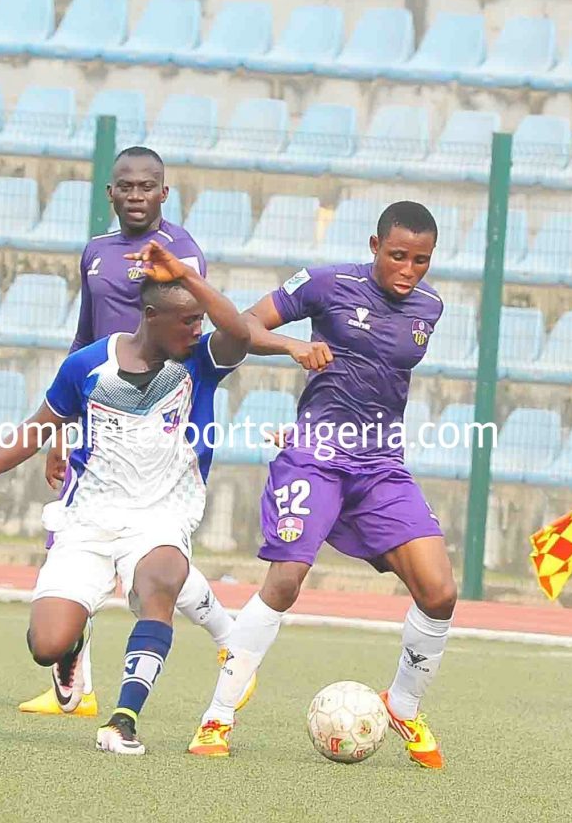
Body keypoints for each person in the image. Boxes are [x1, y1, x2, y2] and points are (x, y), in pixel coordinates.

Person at [0, 242, 251, 755]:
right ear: (151, 317)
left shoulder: (200, 362)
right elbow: (36, 429)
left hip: (162, 516)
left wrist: (188, 276)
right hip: (87, 519)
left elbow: (240, 333)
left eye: (200, 320)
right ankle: (72, 644)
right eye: (187, 321)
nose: (197, 330)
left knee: (159, 582)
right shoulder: (88, 366)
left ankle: (124, 720)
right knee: (45, 644)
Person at [188, 201, 454, 769]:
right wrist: (294, 347)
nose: (408, 270)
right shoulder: (326, 283)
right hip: (316, 456)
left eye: (421, 261)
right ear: (375, 246)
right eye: (398, 256)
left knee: (439, 593)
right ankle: (217, 716)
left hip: (380, 464)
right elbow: (242, 325)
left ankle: (403, 705)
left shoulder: (430, 307)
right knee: (286, 580)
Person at [18, 146, 253, 718]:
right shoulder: (96, 252)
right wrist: (60, 430)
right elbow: (84, 339)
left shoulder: (182, 253)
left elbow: (197, 333)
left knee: (153, 557)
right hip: (101, 413)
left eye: (147, 186)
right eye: (126, 186)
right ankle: (75, 667)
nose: (136, 195)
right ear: (111, 192)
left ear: (164, 193)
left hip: (165, 419)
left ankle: (229, 640)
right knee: (77, 535)